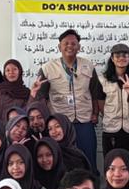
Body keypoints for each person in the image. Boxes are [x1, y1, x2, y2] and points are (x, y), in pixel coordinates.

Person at [31, 29, 103, 169]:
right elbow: (41, 98)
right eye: (66, 43)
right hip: (60, 124)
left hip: (84, 121)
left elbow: (95, 92)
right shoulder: (47, 68)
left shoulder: (88, 66)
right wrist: (47, 121)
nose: (70, 46)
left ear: (79, 47)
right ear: (59, 47)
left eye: (73, 43)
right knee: (63, 163)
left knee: (89, 161)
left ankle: (90, 181)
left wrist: (95, 113)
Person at [97, 43, 129, 189]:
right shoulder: (103, 79)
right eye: (117, 55)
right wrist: (112, 117)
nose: (121, 58)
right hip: (111, 132)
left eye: (125, 55)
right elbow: (101, 104)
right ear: (112, 58)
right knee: (112, 170)